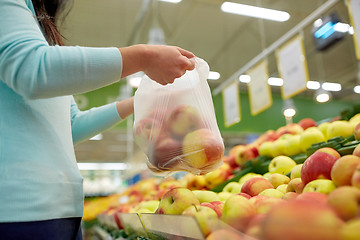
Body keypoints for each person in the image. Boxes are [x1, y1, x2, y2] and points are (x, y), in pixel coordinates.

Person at [0, 0, 196, 239]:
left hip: (63, 210)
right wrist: (144, 57)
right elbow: (32, 67)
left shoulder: (37, 26)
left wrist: (138, 102)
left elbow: (71, 125)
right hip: (17, 210)